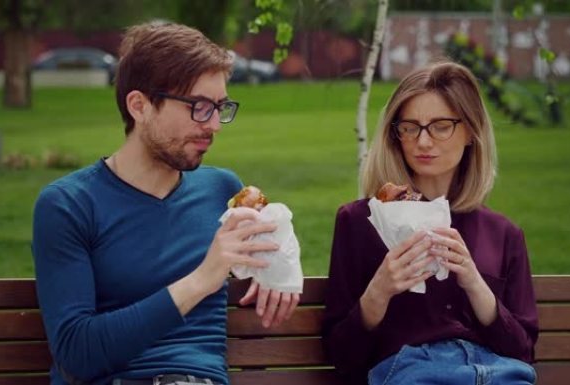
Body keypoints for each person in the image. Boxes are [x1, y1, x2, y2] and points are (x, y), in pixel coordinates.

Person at [32, 21, 299, 385]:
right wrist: (203, 278)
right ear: (140, 106)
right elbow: (77, 355)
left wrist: (277, 266)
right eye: (199, 107)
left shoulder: (222, 190)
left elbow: (268, 269)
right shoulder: (68, 205)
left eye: (220, 107)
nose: (215, 125)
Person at [321, 61, 538, 385]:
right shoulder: (361, 222)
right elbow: (343, 360)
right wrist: (379, 292)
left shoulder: (503, 234)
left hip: (497, 375)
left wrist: (474, 283)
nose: (423, 142)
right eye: (410, 126)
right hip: (411, 374)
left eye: (440, 126)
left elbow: (522, 352)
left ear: (470, 132)